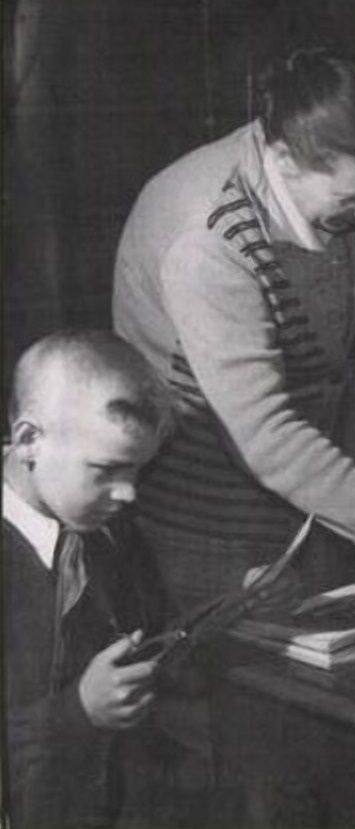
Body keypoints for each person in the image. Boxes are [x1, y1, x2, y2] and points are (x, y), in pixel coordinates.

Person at [113, 49, 355, 606]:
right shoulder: (209, 237)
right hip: (208, 528)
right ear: (284, 158)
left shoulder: (323, 186)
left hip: (312, 510)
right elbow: (265, 435)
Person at [3, 330, 174, 827]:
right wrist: (76, 713)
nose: (128, 493)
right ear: (29, 441)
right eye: (106, 470)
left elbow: (150, 626)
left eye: (138, 472)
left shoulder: (110, 531)